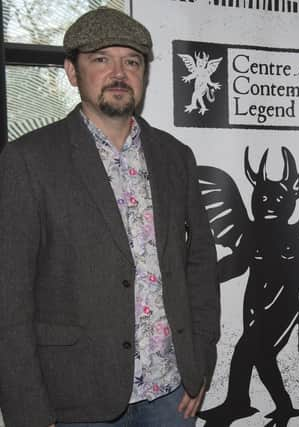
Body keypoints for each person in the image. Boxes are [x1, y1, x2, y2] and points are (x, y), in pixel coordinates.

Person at [0, 7, 220, 427]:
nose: (119, 72)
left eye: (131, 62)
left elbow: (201, 264)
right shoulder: (28, 160)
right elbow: (9, 297)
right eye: (101, 59)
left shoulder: (176, 157)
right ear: (71, 71)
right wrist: (28, 411)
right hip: (74, 401)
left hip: (171, 392)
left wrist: (201, 361)